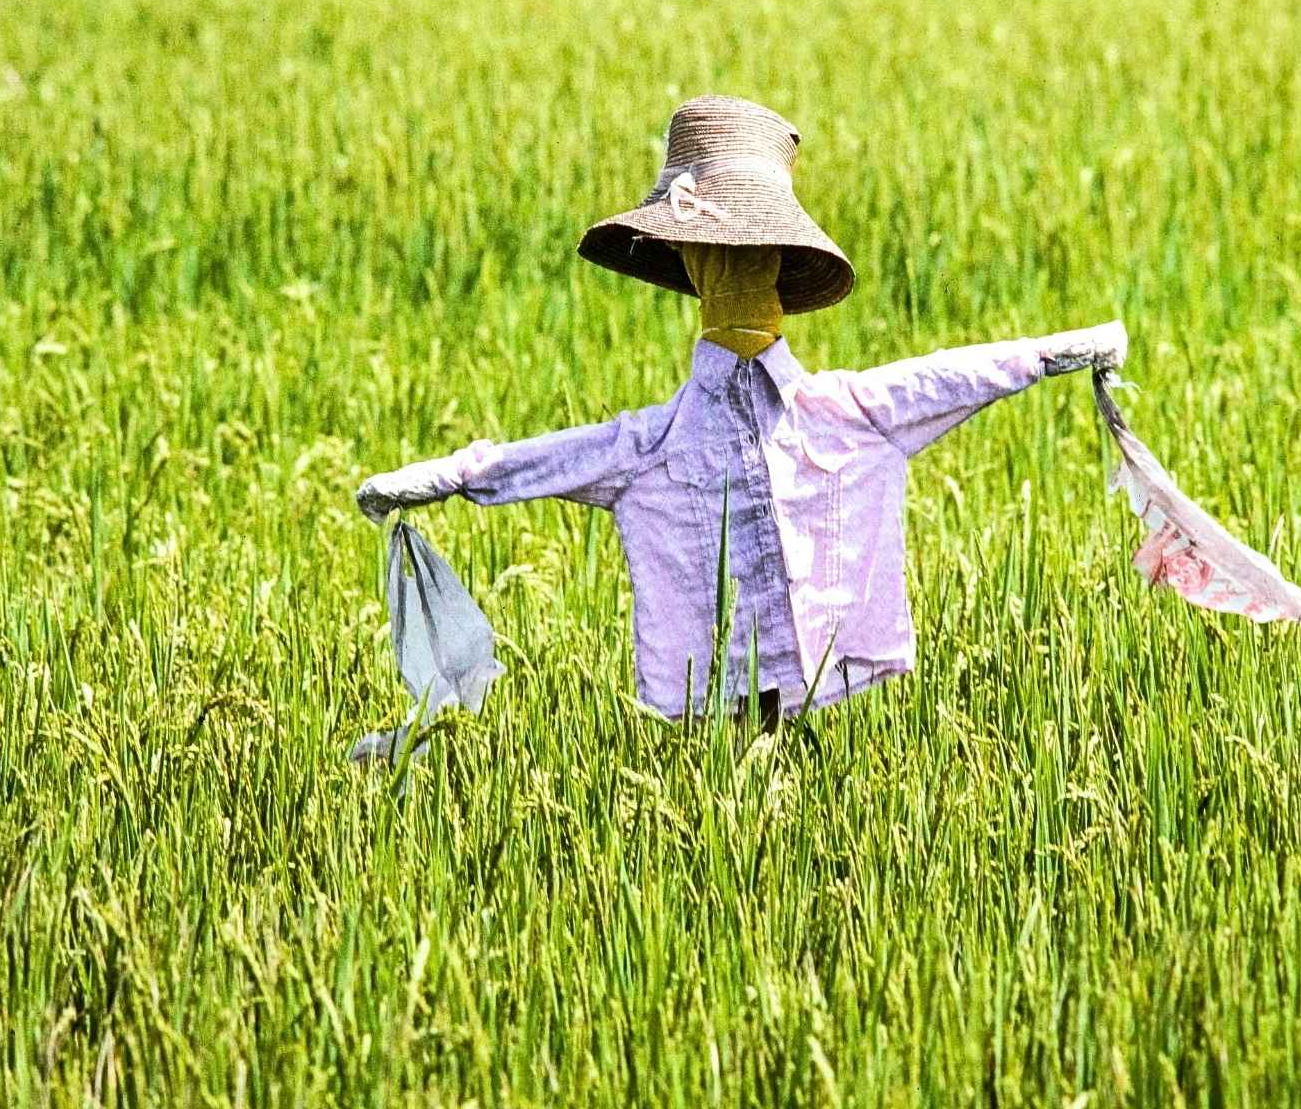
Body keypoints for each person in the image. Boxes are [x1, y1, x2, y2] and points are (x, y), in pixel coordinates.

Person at [355, 95, 1125, 726]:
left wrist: (1070, 350)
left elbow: (960, 375)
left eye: (749, 255)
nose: (736, 269)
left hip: (823, 682)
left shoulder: (845, 412)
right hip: (712, 704)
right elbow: (533, 459)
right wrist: (434, 478)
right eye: (727, 254)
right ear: (691, 261)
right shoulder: (662, 442)